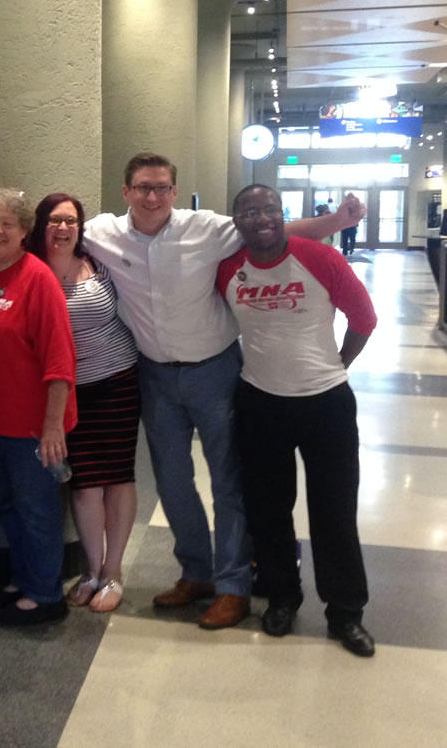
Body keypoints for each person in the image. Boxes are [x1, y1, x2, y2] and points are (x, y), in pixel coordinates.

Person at [82, 151, 365, 630]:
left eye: (162, 188)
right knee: (172, 482)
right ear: (125, 191)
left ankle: (233, 585)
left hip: (215, 370)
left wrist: (337, 220)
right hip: (155, 376)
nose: (153, 197)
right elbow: (56, 238)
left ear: (174, 191)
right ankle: (197, 572)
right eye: (143, 188)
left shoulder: (206, 228)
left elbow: (276, 230)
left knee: (228, 480)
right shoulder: (101, 233)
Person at [218, 185, 377, 657]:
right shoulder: (227, 269)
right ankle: (282, 596)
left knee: (334, 512)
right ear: (238, 222)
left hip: (326, 404)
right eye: (249, 212)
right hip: (260, 403)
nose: (261, 218)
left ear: (282, 215)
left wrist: (336, 366)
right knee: (268, 510)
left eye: (269, 209)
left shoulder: (319, 257)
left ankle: (346, 613)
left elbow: (364, 319)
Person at [0, 189, 77, 626]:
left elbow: (60, 361)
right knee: (10, 507)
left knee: (38, 511)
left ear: (26, 231)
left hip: (33, 428)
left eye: (7, 223)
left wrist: (53, 428)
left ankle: (47, 594)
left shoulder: (38, 279)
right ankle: (26, 577)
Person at [29, 193, 140, 614]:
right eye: (54, 220)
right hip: (65, 391)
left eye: (70, 221)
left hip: (117, 381)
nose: (62, 228)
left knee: (117, 477)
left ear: (80, 226)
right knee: (85, 482)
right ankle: (92, 571)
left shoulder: (97, 262)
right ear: (42, 225)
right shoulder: (31, 269)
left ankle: (114, 571)